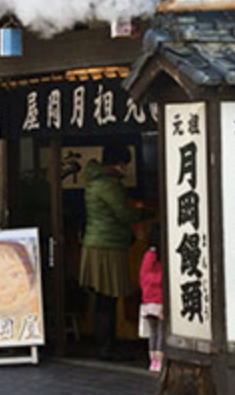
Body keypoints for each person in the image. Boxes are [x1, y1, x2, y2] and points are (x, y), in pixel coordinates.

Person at [80, 146, 150, 359]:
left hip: (97, 244)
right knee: (107, 299)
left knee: (103, 299)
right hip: (107, 247)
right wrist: (146, 212)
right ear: (117, 162)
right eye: (124, 163)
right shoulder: (109, 184)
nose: (125, 168)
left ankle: (105, 345)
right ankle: (106, 348)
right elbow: (124, 214)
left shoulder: (96, 182)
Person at [138, 224, 164, 372]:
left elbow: (144, 276)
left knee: (152, 332)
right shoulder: (159, 256)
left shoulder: (148, 255)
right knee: (160, 331)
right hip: (160, 300)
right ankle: (159, 361)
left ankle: (153, 362)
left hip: (148, 300)